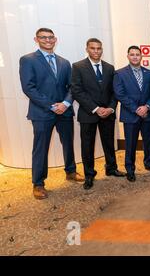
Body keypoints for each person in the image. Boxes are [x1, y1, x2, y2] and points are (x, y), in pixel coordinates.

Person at [19, 28, 83, 200]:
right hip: (41, 113)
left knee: (68, 143)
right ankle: (38, 183)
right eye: (43, 37)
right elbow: (28, 87)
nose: (47, 40)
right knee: (40, 148)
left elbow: (72, 87)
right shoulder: (28, 60)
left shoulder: (64, 62)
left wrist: (66, 103)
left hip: (65, 111)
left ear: (55, 40)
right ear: (36, 39)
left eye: (50, 37)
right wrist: (51, 106)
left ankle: (70, 171)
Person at [71, 38, 126, 190]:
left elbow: (115, 91)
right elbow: (76, 91)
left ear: (102, 50)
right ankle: (89, 175)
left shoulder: (109, 67)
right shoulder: (78, 67)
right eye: (93, 48)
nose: (96, 51)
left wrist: (110, 108)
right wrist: (95, 108)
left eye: (99, 48)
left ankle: (111, 168)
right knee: (87, 146)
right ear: (87, 49)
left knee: (109, 143)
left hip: (107, 113)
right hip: (89, 113)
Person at [113, 46, 150, 182]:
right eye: (132, 54)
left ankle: (149, 164)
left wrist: (147, 107)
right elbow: (120, 94)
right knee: (130, 144)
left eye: (137, 54)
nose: (135, 57)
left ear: (141, 56)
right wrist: (136, 109)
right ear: (128, 56)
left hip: (147, 114)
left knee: (148, 141)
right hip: (130, 115)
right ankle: (130, 169)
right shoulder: (119, 73)